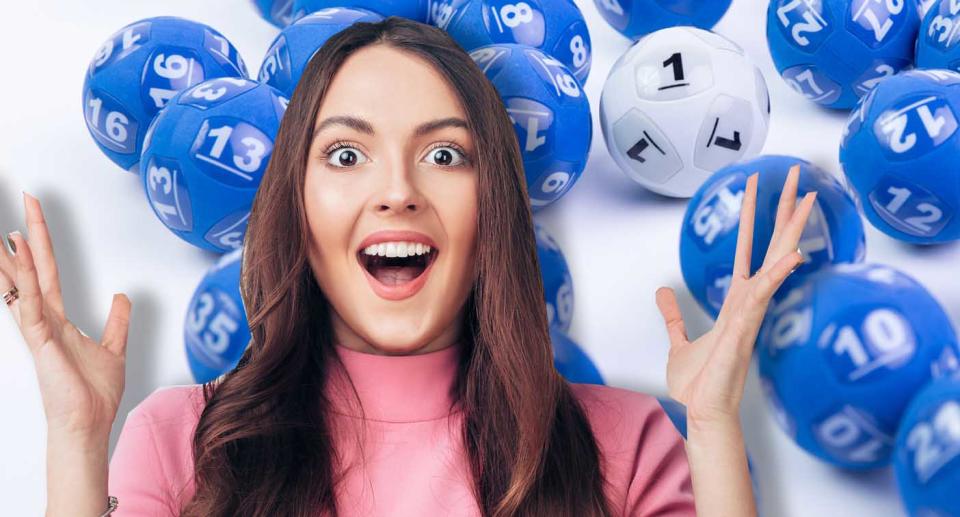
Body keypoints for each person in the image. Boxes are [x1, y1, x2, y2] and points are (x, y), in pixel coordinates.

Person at [4, 16, 815, 517]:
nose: (397, 190)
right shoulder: (182, 439)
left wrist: (710, 427)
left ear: (493, 206)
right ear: (296, 207)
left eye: (444, 153)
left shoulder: (626, 441)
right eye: (348, 153)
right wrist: (77, 439)